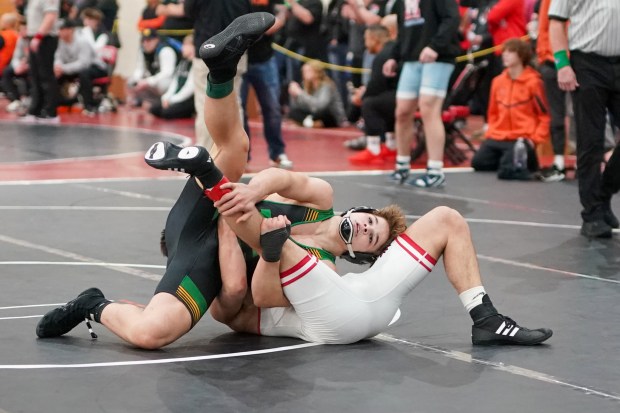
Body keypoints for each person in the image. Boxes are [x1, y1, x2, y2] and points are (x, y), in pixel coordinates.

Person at [35, 13, 403, 349]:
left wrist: (244, 234)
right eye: (370, 220)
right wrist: (253, 190)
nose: (364, 227)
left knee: (152, 333)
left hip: (204, 252)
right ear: (360, 210)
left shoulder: (322, 269)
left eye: (370, 236)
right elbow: (279, 175)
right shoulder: (321, 199)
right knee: (235, 149)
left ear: (361, 257)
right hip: (212, 207)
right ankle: (222, 69)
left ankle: (93, 304)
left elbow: (257, 294)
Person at [548, 0, 620, 238]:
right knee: (591, 140)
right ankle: (592, 214)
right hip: (588, 64)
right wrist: (562, 64)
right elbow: (556, 22)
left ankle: (603, 193)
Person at [383, 0, 461, 188]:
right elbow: (403, 30)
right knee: (402, 111)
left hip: (438, 56)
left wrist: (436, 46)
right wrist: (394, 56)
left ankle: (435, 171)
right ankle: (402, 165)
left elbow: (452, 18)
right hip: (412, 58)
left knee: (428, 108)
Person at [155, 0, 251, 152]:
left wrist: (166, 8)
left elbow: (188, 11)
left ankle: (206, 157)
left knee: (205, 104)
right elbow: (249, 15)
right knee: (234, 103)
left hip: (207, 49)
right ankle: (237, 153)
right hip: (235, 49)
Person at [471, 38, 550, 179]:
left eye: (510, 52)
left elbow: (544, 116)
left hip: (521, 137)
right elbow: (492, 112)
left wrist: (534, 140)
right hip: (499, 135)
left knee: (507, 170)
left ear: (521, 56)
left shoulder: (534, 83)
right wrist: (491, 132)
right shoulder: (497, 82)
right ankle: (513, 161)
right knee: (478, 162)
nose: (505, 55)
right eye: (504, 51)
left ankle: (520, 162)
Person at [242, 0, 294, 169]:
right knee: (238, 110)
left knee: (272, 108)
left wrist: (280, 17)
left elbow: (281, 9)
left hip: (264, 58)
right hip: (239, 58)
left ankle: (277, 153)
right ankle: (243, 156)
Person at [348, 23, 398, 166]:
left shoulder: (383, 55)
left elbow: (376, 85)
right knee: (383, 101)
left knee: (370, 103)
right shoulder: (392, 49)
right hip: (400, 93)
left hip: (401, 95)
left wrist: (361, 97)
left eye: (366, 39)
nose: (365, 44)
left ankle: (374, 149)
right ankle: (391, 146)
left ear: (374, 38)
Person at [535, 0, 567, 182]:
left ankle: (585, 165)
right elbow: (544, 27)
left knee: (584, 118)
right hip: (553, 61)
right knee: (557, 116)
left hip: (576, 61)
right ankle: (559, 162)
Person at [53, 19, 107, 115]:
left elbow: (84, 64)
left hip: (95, 66)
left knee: (84, 74)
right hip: (73, 67)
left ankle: (89, 106)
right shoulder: (60, 42)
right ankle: (58, 102)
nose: (59, 32)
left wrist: (63, 68)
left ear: (70, 30)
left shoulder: (82, 41)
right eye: (58, 29)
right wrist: (57, 67)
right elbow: (58, 57)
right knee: (54, 74)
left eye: (62, 29)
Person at [22, 0, 61, 123]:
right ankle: (35, 110)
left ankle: (50, 112)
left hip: (45, 38)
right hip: (33, 37)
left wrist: (38, 37)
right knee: (35, 76)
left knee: (45, 75)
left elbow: (50, 17)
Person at [288, 60, 347, 128]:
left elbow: (320, 106)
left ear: (316, 72)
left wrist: (300, 93)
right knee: (293, 112)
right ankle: (310, 123)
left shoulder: (326, 85)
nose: (304, 73)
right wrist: (295, 95)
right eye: (304, 71)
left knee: (324, 114)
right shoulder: (307, 85)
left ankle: (307, 122)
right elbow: (299, 106)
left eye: (308, 71)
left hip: (330, 115)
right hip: (314, 114)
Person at [127, 28, 177, 108]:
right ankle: (147, 101)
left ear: (156, 40)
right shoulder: (143, 51)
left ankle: (163, 101)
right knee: (131, 82)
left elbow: (167, 73)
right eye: (144, 41)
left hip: (168, 82)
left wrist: (148, 81)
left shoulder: (165, 51)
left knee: (162, 84)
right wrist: (136, 81)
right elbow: (140, 69)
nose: (146, 44)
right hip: (152, 79)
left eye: (149, 41)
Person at [148, 34, 195, 120]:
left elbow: (189, 88)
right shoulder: (182, 62)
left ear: (193, 48)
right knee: (154, 108)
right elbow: (175, 82)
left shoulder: (196, 64)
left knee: (166, 113)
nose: (182, 48)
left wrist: (171, 100)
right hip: (176, 97)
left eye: (186, 45)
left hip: (188, 99)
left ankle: (188, 113)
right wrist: (166, 98)